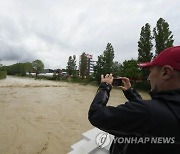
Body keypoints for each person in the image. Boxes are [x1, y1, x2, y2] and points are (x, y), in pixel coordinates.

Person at [88, 46, 180, 154]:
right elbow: (153, 110)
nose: (148, 78)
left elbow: (96, 114)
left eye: (151, 71)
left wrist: (105, 86)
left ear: (166, 72)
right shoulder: (164, 109)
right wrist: (130, 92)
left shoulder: (146, 112)